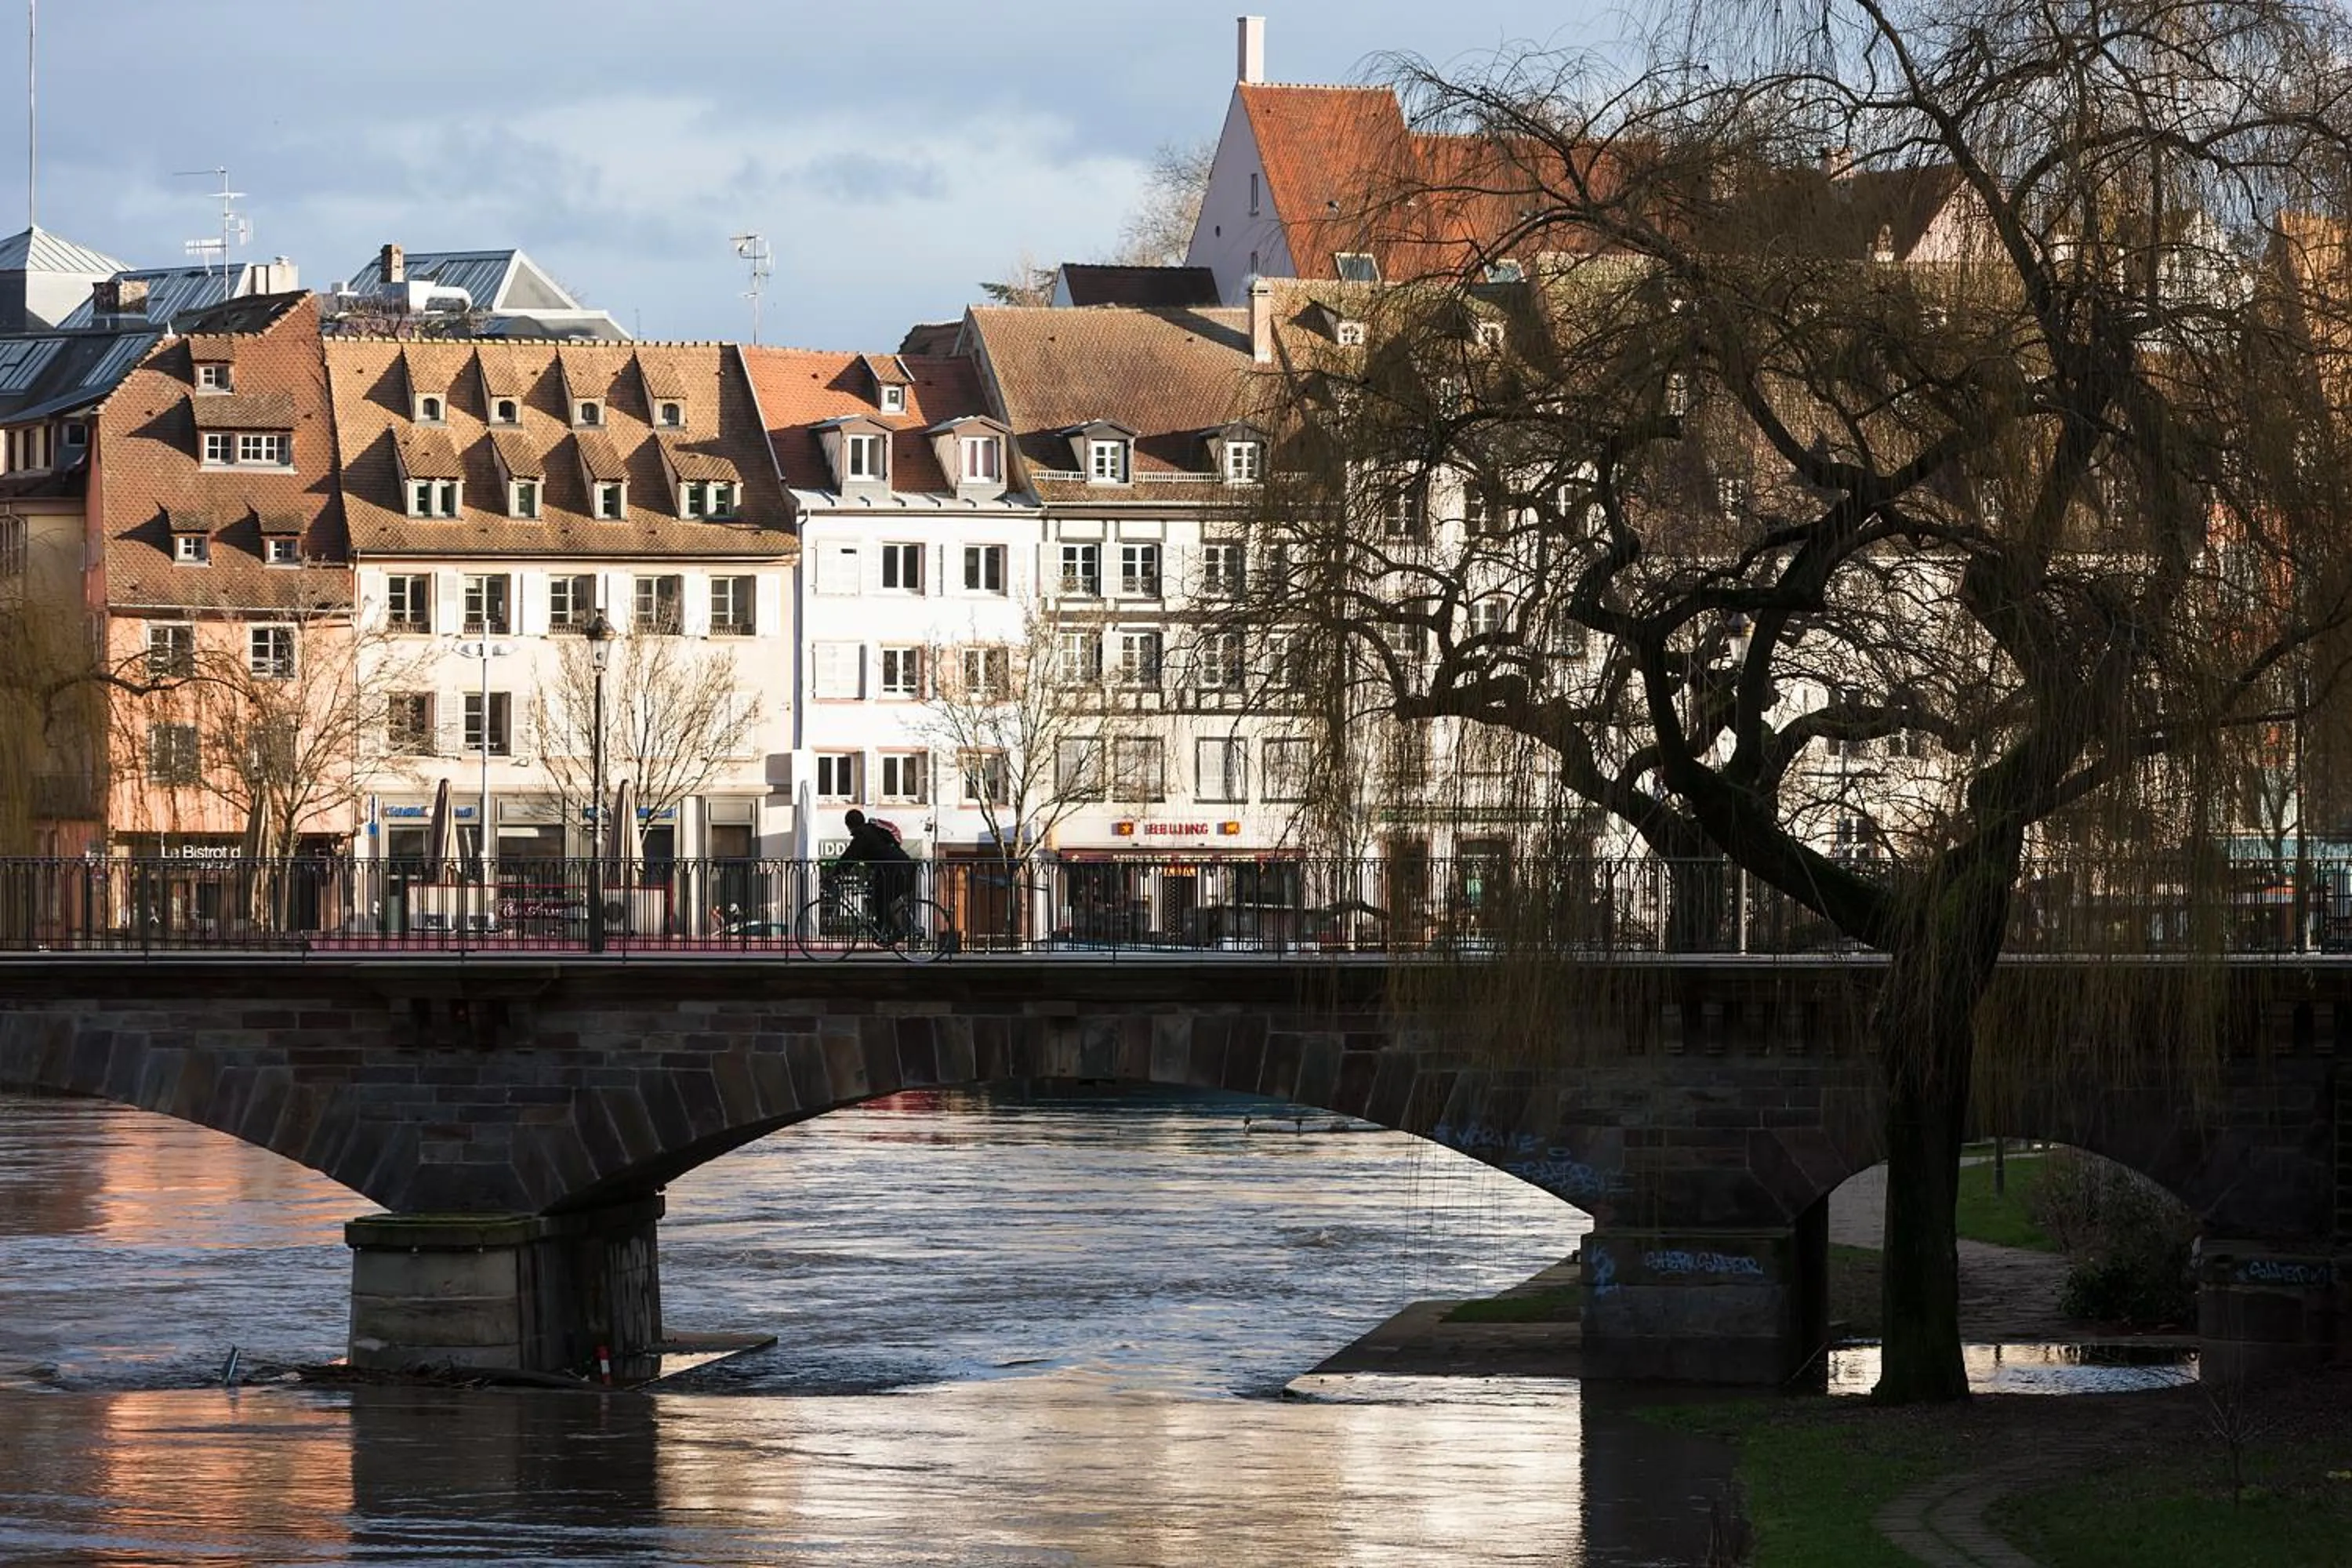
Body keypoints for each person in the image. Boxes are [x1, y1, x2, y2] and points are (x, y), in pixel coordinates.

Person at [839, 809, 916, 939]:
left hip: (896, 871)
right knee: (876, 897)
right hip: (902, 869)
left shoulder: (863, 836)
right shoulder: (872, 831)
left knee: (880, 899)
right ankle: (883, 928)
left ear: (849, 825)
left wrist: (835, 874)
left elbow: (849, 856)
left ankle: (896, 930)